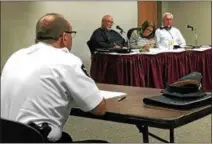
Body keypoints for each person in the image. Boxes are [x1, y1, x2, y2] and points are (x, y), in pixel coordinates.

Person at [1, 13, 106, 143]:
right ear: (64, 37)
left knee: (65, 137)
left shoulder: (16, 56)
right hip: (38, 139)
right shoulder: (67, 61)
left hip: (7, 137)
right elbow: (99, 108)